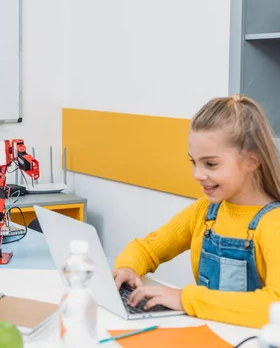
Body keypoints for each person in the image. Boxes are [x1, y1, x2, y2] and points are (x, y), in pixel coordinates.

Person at [112, 95, 280, 328]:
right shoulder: (204, 212)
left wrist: (185, 298)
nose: (197, 174)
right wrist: (128, 266)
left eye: (210, 164)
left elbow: (275, 306)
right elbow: (147, 248)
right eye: (194, 162)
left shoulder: (274, 224)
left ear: (252, 161)